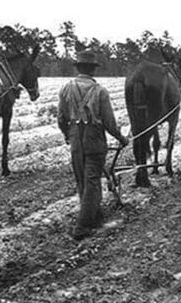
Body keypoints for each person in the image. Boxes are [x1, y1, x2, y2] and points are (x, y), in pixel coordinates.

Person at [57, 49, 129, 240]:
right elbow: (109, 123)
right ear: (93, 70)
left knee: (82, 180)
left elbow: (61, 118)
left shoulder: (66, 89)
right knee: (92, 181)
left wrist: (67, 135)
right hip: (95, 140)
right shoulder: (100, 91)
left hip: (75, 141)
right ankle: (83, 225)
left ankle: (94, 215)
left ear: (78, 68)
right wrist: (122, 139)